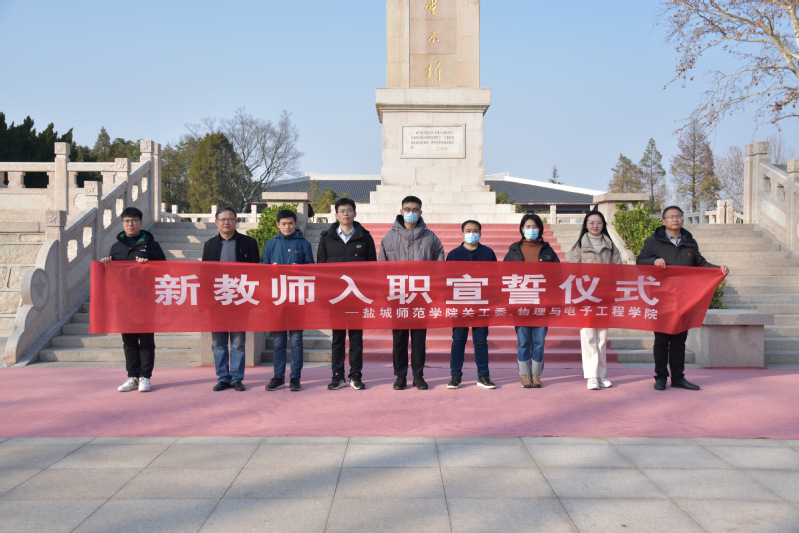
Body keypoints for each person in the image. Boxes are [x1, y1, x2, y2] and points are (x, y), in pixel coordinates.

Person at [637, 206, 729, 391]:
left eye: (678, 216)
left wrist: (718, 269)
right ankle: (660, 377)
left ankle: (678, 378)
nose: (675, 219)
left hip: (684, 299)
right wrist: (653, 261)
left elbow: (699, 263)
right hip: (661, 298)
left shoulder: (689, 241)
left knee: (679, 341)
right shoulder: (653, 241)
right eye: (671, 217)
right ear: (663, 221)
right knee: (662, 341)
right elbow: (640, 262)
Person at [378, 195, 445, 390]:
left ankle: (418, 376)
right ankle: (400, 376)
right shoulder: (389, 237)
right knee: (399, 338)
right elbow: (381, 268)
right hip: (397, 295)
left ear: (421, 212)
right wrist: (385, 293)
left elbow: (440, 266)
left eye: (415, 210)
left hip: (420, 295)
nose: (411, 213)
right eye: (407, 209)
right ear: (401, 211)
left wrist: (435, 291)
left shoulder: (431, 238)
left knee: (419, 339)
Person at [99, 207, 166, 393]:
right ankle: (132, 376)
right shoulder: (116, 248)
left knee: (145, 340)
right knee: (128, 341)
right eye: (127, 221)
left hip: (145, 301)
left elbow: (165, 270)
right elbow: (111, 276)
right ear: (122, 224)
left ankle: (145, 377)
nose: (131, 224)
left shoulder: (152, 246)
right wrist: (105, 265)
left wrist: (149, 265)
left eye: (134, 220)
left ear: (141, 223)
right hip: (123, 302)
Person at [317, 198, 377, 390]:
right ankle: (337, 376)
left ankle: (355, 376)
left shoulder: (364, 237)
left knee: (356, 339)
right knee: (337, 339)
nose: (345, 214)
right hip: (335, 298)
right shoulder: (326, 237)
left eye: (349, 210)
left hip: (357, 298)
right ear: (336, 214)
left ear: (355, 213)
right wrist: (324, 295)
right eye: (342, 211)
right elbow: (320, 269)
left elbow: (372, 269)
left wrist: (369, 294)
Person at [202, 207, 260, 392]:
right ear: (216, 222)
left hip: (240, 300)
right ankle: (222, 377)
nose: (226, 222)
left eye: (230, 219)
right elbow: (205, 275)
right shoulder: (209, 245)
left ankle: (236, 378)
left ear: (236, 221)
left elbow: (256, 273)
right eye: (222, 219)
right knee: (218, 343)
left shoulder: (248, 243)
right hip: (217, 301)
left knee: (238, 342)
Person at [504, 213, 560, 388]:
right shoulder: (513, 251)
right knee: (523, 341)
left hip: (542, 303)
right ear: (522, 229)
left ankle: (536, 374)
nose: (531, 230)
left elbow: (558, 275)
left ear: (540, 229)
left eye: (535, 227)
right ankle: (524, 374)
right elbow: (504, 276)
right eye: (528, 227)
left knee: (539, 342)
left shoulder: (548, 251)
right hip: (521, 302)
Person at [261, 209, 315, 392]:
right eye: (283, 223)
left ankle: (295, 377)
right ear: (277, 225)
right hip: (277, 299)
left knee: (297, 340)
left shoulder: (304, 244)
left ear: (296, 224)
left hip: (297, 299)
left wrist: (301, 269)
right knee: (278, 340)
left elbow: (312, 269)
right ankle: (278, 377)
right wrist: (271, 270)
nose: (287, 226)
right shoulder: (270, 245)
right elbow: (262, 271)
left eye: (290, 223)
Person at [569, 210, 622, 390]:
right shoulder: (579, 247)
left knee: (602, 336)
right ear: (586, 225)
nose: (595, 226)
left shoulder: (610, 245)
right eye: (591, 222)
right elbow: (572, 273)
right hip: (586, 296)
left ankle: (601, 375)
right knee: (588, 335)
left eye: (598, 222)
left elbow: (619, 270)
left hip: (605, 295)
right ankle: (591, 376)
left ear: (603, 225)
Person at [446, 220, 498, 389]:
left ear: (480, 233)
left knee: (481, 341)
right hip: (460, 305)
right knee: (458, 340)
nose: (472, 234)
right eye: (468, 230)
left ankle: (483, 375)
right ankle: (455, 375)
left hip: (481, 305)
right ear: (462, 233)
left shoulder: (488, 253)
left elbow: (495, 278)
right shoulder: (453, 255)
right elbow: (446, 280)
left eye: (475, 231)